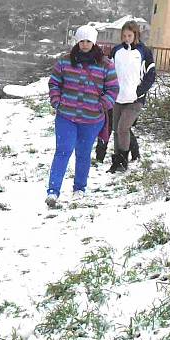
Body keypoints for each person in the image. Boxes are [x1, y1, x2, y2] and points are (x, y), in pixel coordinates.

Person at [47, 25, 118, 206]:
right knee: (63, 150)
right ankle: (53, 191)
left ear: (94, 42)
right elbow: (54, 83)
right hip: (66, 116)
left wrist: (102, 105)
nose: (84, 45)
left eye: (88, 41)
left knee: (84, 153)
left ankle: (79, 188)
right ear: (77, 42)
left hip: (92, 119)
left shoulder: (106, 65)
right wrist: (57, 101)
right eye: (81, 41)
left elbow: (113, 89)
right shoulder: (64, 62)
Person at [102, 20, 156, 172]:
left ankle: (123, 161)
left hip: (135, 99)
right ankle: (116, 161)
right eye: (124, 35)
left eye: (129, 35)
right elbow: (108, 71)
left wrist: (139, 91)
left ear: (135, 35)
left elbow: (151, 75)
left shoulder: (144, 52)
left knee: (123, 128)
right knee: (116, 130)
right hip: (117, 97)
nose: (126, 38)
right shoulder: (116, 50)